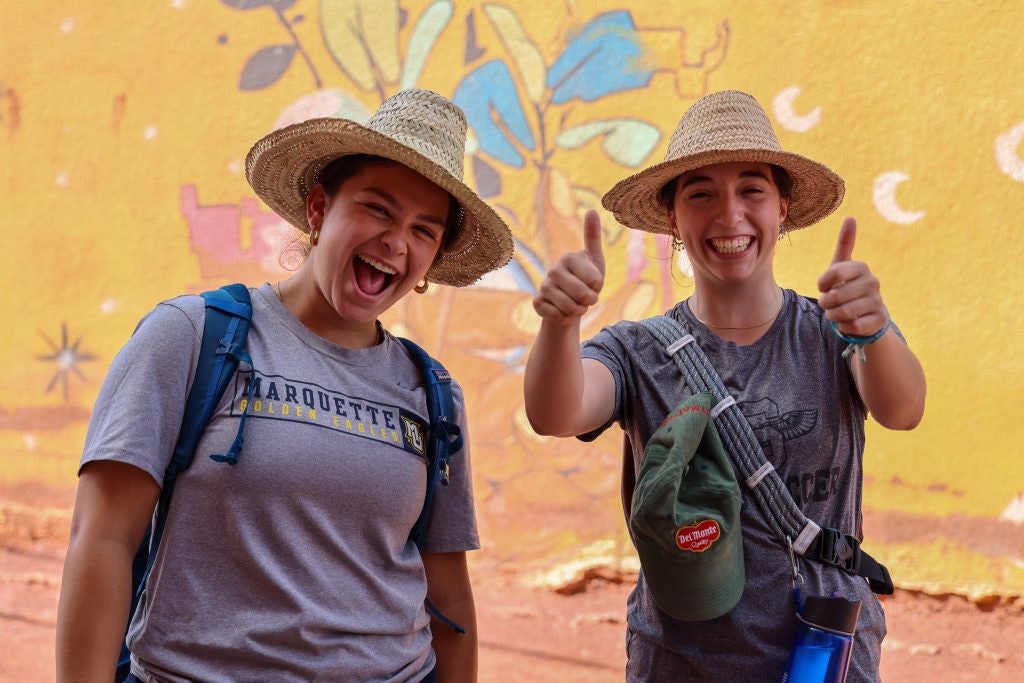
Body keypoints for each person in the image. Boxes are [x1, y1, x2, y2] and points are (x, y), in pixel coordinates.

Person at [55, 88, 513, 682]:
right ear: (319, 209)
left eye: (424, 231)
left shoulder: (432, 392)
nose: (397, 241)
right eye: (378, 208)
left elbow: (449, 598)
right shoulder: (192, 336)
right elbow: (102, 539)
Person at [524, 90, 926, 681]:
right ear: (673, 218)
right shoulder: (636, 349)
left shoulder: (833, 332)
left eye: (751, 189)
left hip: (823, 655)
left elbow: (904, 408)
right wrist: (560, 324)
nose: (729, 214)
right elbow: (556, 413)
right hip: (678, 659)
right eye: (701, 193)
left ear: (783, 207)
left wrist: (874, 328)